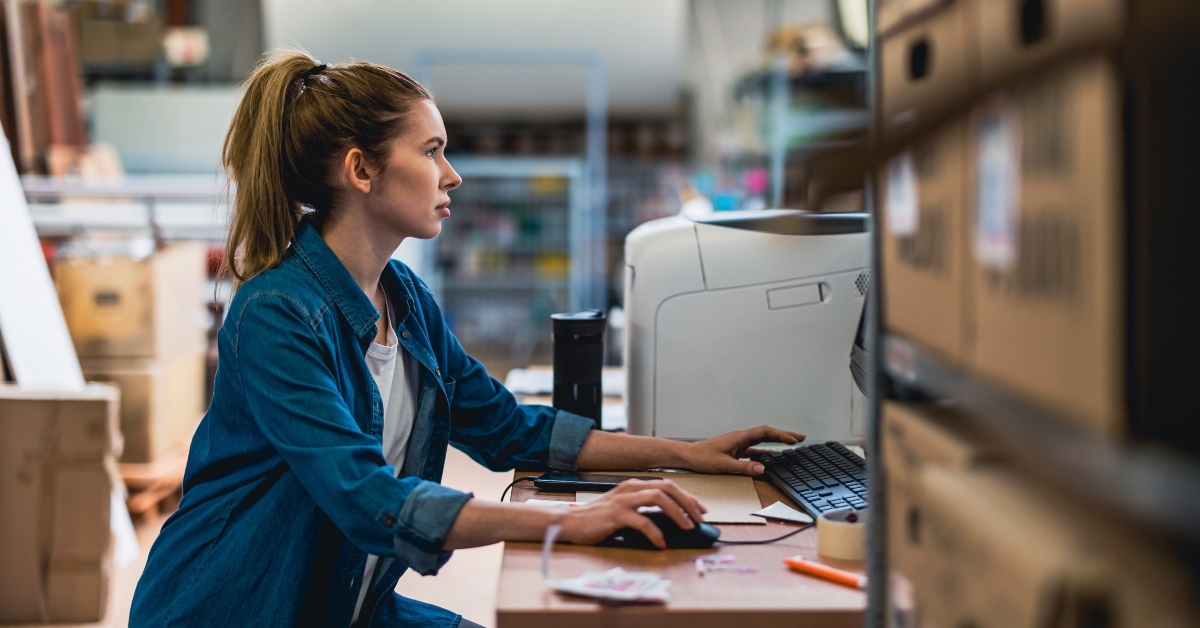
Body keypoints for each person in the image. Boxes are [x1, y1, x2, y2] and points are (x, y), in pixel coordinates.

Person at [129, 50, 805, 628]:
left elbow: (510, 430)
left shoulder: (406, 301)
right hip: (234, 609)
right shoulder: (276, 314)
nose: (451, 175)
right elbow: (367, 500)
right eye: (431, 151)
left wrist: (683, 453)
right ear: (361, 171)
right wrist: (569, 522)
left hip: (341, 605)